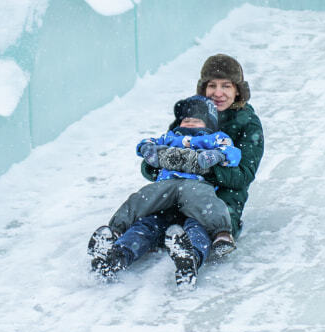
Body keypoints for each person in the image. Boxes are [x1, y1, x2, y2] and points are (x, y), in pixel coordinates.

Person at [88, 54, 264, 286]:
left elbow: (243, 175)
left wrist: (205, 170)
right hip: (176, 191)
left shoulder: (247, 124)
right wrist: (165, 162)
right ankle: (116, 256)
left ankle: (189, 256)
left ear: (238, 90)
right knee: (150, 222)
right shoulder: (192, 116)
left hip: (221, 198)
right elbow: (153, 162)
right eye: (212, 85)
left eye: (226, 86)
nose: (218, 92)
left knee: (198, 225)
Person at [91, 95, 241, 282]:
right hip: (165, 185)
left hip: (195, 185)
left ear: (208, 123)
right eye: (186, 119)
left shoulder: (215, 137)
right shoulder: (170, 137)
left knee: (203, 212)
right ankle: (116, 251)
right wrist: (148, 149)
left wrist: (216, 155)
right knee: (143, 207)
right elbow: (146, 142)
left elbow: (233, 153)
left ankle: (211, 241)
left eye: (196, 120)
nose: (190, 123)